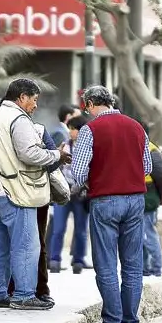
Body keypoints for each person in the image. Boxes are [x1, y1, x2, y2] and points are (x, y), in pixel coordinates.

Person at [0, 78, 66, 310]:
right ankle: (24, 295)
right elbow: (30, 154)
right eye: (34, 100)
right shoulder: (19, 119)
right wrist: (56, 156)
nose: (35, 105)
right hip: (18, 192)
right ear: (22, 97)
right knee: (27, 245)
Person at [71, 86, 151, 323]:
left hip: (105, 200)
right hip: (136, 200)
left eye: (87, 106)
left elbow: (79, 172)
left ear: (93, 103)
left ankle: (112, 322)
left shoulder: (89, 130)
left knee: (106, 263)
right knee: (132, 264)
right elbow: (147, 166)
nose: (87, 112)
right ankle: (130, 322)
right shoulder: (137, 127)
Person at [6, 123, 60, 305]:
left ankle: (8, 289)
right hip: (33, 193)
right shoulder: (37, 130)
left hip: (9, 193)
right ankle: (37, 290)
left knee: (12, 243)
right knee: (35, 243)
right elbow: (53, 161)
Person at [48, 115, 91, 274]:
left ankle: (78, 260)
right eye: (71, 129)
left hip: (81, 196)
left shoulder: (89, 150)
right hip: (64, 194)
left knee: (81, 230)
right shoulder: (64, 146)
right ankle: (54, 260)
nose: (72, 132)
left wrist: (81, 187)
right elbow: (55, 169)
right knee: (58, 229)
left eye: (75, 129)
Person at [140, 121, 162, 277]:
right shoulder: (136, 147)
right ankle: (145, 268)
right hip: (140, 196)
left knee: (148, 233)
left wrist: (160, 198)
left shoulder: (151, 150)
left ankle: (156, 268)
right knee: (139, 234)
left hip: (148, 197)